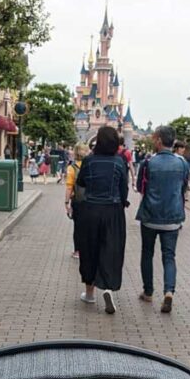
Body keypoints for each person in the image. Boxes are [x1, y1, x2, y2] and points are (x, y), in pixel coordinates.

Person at [74, 125, 129, 314]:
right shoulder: (119, 162)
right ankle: (107, 288)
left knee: (89, 250)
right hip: (112, 210)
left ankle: (89, 293)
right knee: (110, 249)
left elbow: (81, 183)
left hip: (90, 210)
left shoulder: (89, 160)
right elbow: (124, 189)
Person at [136, 125, 188, 314]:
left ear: (158, 140)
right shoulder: (182, 163)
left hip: (150, 216)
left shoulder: (148, 162)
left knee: (147, 253)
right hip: (173, 217)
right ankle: (169, 291)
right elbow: (184, 186)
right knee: (169, 256)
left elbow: (140, 187)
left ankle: (148, 291)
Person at [64, 142, 89, 260]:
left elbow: (69, 187)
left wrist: (66, 202)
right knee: (89, 226)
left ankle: (78, 251)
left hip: (77, 200)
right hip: (90, 201)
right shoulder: (91, 166)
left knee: (78, 227)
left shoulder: (71, 168)